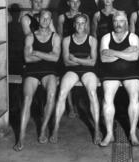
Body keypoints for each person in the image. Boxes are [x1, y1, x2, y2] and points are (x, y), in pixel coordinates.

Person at [50, 14, 101, 145]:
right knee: (61, 93)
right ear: (74, 24)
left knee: (92, 93)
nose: (80, 26)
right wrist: (83, 61)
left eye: (82, 23)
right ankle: (55, 128)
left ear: (86, 25)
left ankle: (96, 129)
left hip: (88, 71)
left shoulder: (92, 40)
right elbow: (66, 62)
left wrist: (76, 59)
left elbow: (93, 62)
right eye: (77, 23)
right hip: (71, 70)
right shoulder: (66, 40)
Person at [13, 10, 61, 151]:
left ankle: (43, 130)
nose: (45, 21)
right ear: (38, 19)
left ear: (50, 20)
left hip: (49, 71)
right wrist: (48, 55)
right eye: (43, 18)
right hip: (32, 71)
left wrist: (38, 53)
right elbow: (27, 58)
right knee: (27, 99)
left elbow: (56, 58)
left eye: (48, 19)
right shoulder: (30, 36)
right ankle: (20, 138)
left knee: (51, 95)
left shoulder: (55, 37)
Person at [100, 11, 139, 146]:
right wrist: (126, 52)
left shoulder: (133, 37)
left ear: (127, 22)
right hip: (111, 72)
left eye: (121, 21)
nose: (118, 24)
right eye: (116, 21)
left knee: (134, 97)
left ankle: (133, 133)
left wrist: (113, 53)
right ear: (113, 23)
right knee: (107, 99)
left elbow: (135, 57)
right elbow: (103, 59)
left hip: (130, 71)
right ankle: (109, 134)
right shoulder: (106, 37)